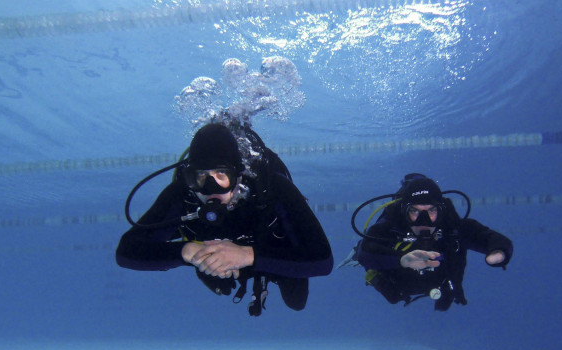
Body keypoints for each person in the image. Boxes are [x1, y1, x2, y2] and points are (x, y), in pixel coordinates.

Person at [116, 120, 333, 315]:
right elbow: (127, 251)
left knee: (296, 301)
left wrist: (248, 256)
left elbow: (322, 261)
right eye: (201, 176)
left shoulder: (272, 188)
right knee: (221, 284)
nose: (210, 188)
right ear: (189, 177)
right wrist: (186, 252)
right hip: (215, 256)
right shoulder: (182, 194)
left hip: (275, 251)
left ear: (239, 175)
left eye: (222, 175)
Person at [356, 174, 512, 311]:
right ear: (405, 211)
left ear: (441, 211)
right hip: (398, 286)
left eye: (431, 211)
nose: (423, 220)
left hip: (440, 287)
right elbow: (364, 253)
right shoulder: (391, 226)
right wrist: (400, 260)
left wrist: (500, 252)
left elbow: (489, 237)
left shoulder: (452, 228)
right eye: (415, 211)